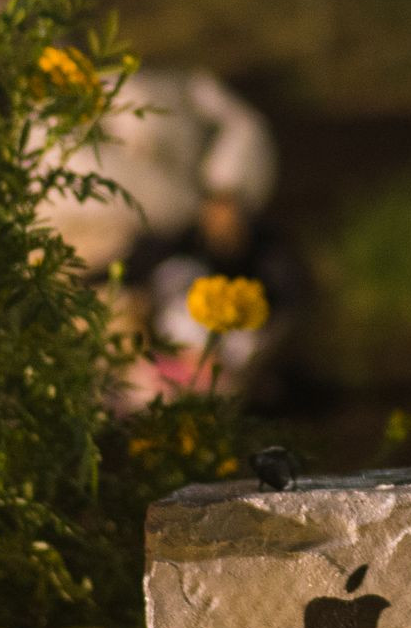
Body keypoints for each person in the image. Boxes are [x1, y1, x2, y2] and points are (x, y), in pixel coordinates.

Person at [38, 67, 298, 405]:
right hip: (100, 227)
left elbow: (241, 126)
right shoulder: (251, 266)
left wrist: (227, 189)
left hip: (129, 235)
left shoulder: (185, 247)